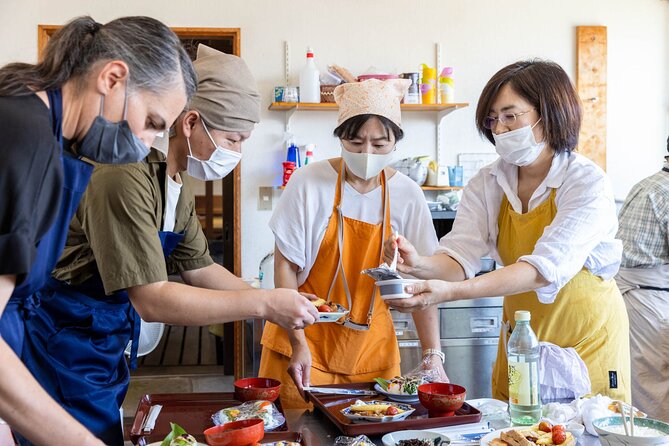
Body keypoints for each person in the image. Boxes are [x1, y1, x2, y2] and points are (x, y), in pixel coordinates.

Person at [18, 44, 319, 445]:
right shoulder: (124, 174)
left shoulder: (171, 179)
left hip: (101, 339)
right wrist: (264, 304)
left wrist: (280, 306)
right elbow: (152, 299)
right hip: (62, 339)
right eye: (233, 138)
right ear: (191, 122)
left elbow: (200, 267)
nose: (237, 153)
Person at [382, 60, 630, 402]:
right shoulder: (489, 182)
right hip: (521, 337)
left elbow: (542, 270)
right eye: (492, 119)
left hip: (585, 340)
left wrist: (448, 293)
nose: (499, 129)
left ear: (550, 112)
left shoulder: (586, 182)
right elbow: (459, 257)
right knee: (514, 431)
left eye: (511, 116)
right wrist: (418, 265)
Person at [0, 16, 196, 446]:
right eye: (152, 122)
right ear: (112, 78)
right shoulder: (23, 136)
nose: (148, 144)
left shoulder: (53, 139)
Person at [259, 79, 447, 409]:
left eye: (379, 143)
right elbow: (285, 267)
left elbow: (422, 283)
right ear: (341, 138)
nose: (367, 153)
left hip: (372, 353)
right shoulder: (308, 182)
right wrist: (297, 340)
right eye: (356, 142)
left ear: (395, 142)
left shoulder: (408, 195)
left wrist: (433, 354)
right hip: (304, 345)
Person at [615, 136, 669, 419]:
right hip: (648, 299)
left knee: (640, 384)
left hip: (632, 295)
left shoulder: (647, 184)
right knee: (652, 389)